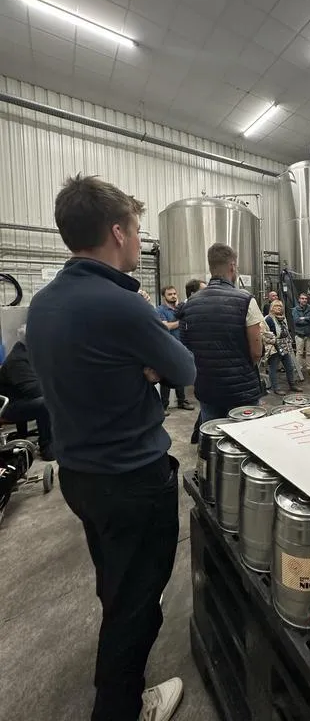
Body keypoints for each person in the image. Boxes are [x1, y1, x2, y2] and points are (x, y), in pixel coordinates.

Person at [26, 174, 196, 721]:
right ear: (118, 232)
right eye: (137, 230)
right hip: (133, 479)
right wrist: (149, 366)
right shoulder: (122, 305)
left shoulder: (43, 304)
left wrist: (136, 368)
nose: (139, 241)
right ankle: (121, 707)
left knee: (115, 582)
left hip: (80, 475)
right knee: (139, 604)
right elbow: (184, 369)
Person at [180, 243, 263, 434]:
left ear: (211, 267)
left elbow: (186, 348)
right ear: (232, 266)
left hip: (207, 389)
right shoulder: (246, 300)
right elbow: (256, 352)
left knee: (213, 438)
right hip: (242, 391)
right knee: (246, 440)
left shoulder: (189, 304)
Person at [0, 325, 53, 460]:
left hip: (20, 399)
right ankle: (47, 447)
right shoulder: (18, 360)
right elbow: (33, 390)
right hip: (8, 407)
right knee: (45, 403)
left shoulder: (29, 354)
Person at [157, 286, 194, 414]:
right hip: (167, 347)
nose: (173, 296)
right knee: (166, 376)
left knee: (180, 374)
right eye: (170, 294)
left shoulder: (181, 308)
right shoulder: (160, 310)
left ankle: (182, 401)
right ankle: (163, 406)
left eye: (174, 293)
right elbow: (165, 326)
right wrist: (180, 322)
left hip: (181, 346)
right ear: (164, 296)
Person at [265, 300, 303, 395]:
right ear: (272, 308)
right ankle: (276, 388)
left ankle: (292, 385)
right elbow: (265, 334)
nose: (278, 308)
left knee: (289, 367)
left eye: (280, 306)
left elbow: (285, 331)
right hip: (274, 347)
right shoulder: (268, 319)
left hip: (284, 346)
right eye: (276, 306)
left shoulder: (283, 318)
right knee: (273, 368)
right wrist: (273, 342)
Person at [292, 293, 310, 377]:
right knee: (299, 353)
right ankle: (299, 370)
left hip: (309, 334)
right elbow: (297, 321)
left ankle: (309, 369)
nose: (304, 300)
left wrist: (304, 318)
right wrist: (309, 319)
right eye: (302, 298)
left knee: (309, 353)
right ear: (299, 300)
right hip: (300, 335)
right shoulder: (295, 310)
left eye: (305, 298)